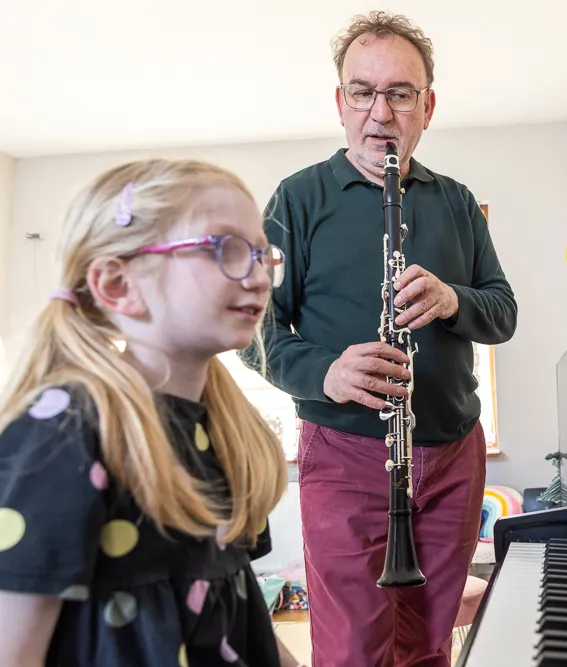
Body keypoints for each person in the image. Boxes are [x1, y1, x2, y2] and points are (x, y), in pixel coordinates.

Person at [239, 10, 517, 667]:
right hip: (344, 450)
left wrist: (454, 300)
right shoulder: (298, 200)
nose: (380, 113)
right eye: (362, 92)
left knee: (428, 640)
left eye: (399, 93)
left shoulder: (456, 202)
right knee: (353, 648)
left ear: (427, 107)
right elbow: (252, 325)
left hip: (453, 451)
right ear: (341, 103)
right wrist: (326, 372)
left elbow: (502, 312)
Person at [0, 158, 304, 667]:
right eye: (224, 249)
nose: (258, 277)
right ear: (118, 285)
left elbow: (235, 611)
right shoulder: (65, 431)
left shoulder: (229, 432)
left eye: (261, 253)